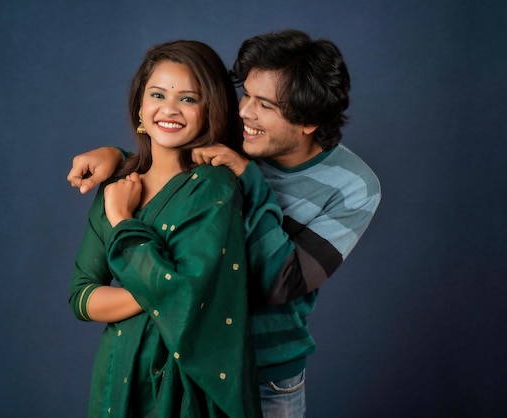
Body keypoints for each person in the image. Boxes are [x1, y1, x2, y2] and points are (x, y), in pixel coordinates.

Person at [68, 30, 381, 418]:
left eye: (263, 104)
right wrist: (118, 156)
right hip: (173, 363)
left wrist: (249, 180)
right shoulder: (237, 142)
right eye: (245, 93)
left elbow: (281, 282)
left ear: (308, 120)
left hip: (266, 371)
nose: (244, 111)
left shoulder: (352, 186)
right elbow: (167, 156)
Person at [69, 39, 263, 417]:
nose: (169, 108)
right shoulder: (116, 185)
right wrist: (167, 293)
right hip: (119, 373)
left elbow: (189, 293)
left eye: (189, 99)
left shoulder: (214, 187)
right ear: (141, 106)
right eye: (157, 94)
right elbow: (81, 297)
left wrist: (123, 221)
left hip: (184, 383)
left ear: (210, 110)